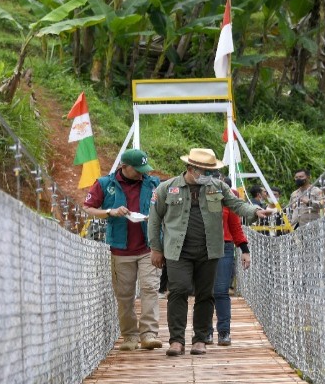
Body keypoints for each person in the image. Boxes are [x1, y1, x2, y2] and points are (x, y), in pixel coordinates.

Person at [148, 148, 271, 356]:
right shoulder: (166, 189)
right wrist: (155, 248)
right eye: (203, 171)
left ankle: (200, 339)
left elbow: (237, 205)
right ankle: (176, 340)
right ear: (190, 168)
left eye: (210, 171)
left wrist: (255, 211)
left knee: (206, 294)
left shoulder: (219, 188)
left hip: (210, 250)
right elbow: (154, 219)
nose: (207, 175)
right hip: (177, 251)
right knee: (179, 290)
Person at [83, 149, 164, 351]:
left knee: (150, 289)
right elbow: (88, 207)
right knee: (124, 294)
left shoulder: (153, 183)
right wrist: (110, 211)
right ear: (124, 167)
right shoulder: (105, 184)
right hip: (120, 249)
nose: (141, 174)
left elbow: (166, 207)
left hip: (149, 247)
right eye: (138, 170)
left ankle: (149, 334)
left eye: (144, 169)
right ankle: (129, 335)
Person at [212, 176, 251, 346]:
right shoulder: (195, 192)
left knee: (221, 290)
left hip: (224, 247)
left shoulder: (231, 196)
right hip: (200, 247)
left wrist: (245, 250)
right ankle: (204, 332)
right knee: (204, 292)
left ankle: (223, 332)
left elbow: (235, 225)